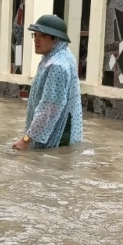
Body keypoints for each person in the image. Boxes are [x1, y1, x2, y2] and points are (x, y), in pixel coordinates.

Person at [11, 14, 83, 150]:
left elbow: (48, 108)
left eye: (42, 36)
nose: (36, 40)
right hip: (62, 128)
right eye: (35, 36)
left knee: (50, 167)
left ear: (56, 39)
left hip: (58, 133)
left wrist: (26, 140)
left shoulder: (57, 65)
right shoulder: (62, 54)